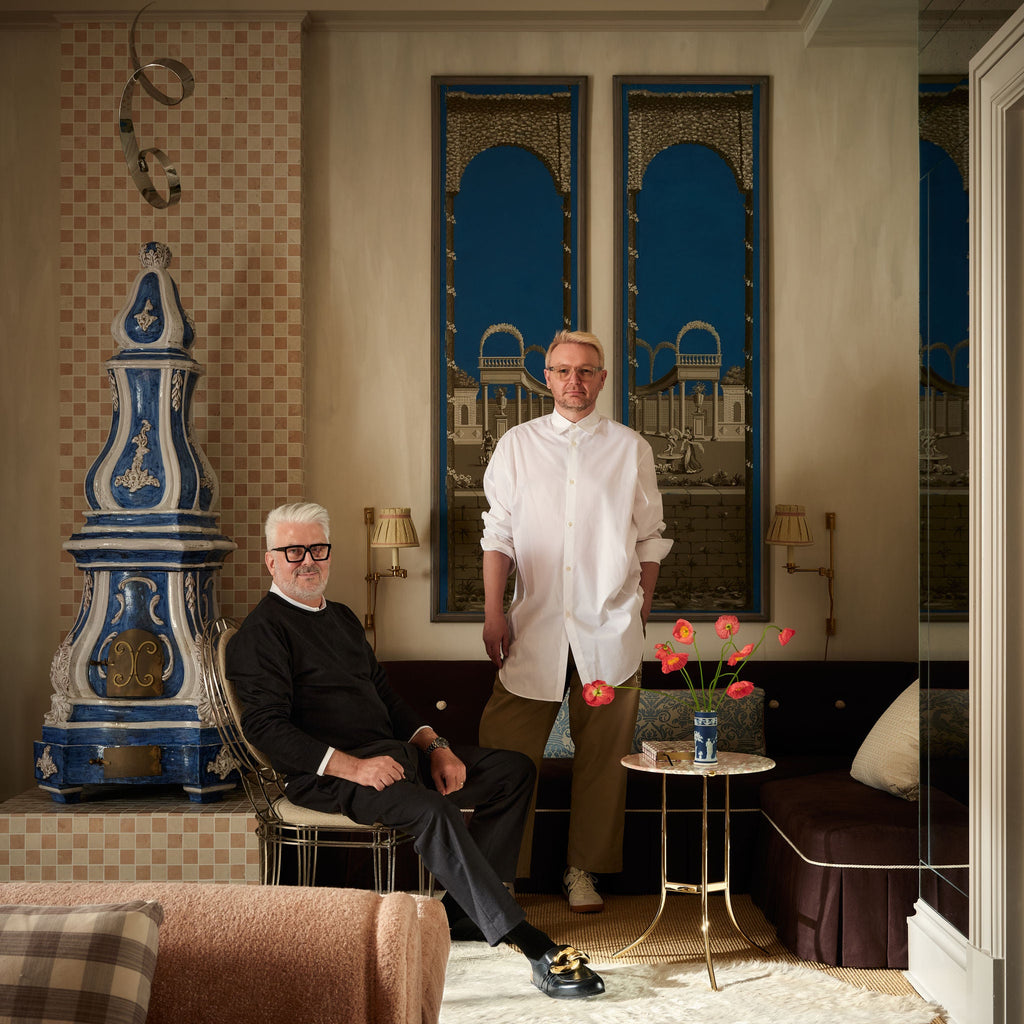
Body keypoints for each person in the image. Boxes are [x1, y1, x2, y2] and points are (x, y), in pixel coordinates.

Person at [226, 502, 605, 1000]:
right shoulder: (261, 633)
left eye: (317, 548)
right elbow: (266, 728)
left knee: (512, 770)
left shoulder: (339, 618)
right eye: (293, 551)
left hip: (394, 760)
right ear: (271, 561)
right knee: (432, 812)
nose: (307, 561)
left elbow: (387, 697)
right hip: (331, 778)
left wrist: (437, 746)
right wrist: (354, 767)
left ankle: (466, 914)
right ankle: (532, 946)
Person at [480, 329, 672, 913]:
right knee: (507, 755)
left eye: (586, 371)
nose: (574, 381)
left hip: (608, 631)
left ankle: (582, 871)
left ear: (603, 378)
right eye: (563, 370)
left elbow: (649, 540)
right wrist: (494, 613)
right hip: (532, 628)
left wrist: (638, 612)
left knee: (602, 762)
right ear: (546, 376)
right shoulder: (516, 445)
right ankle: (499, 874)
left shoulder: (629, 449)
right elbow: (499, 534)